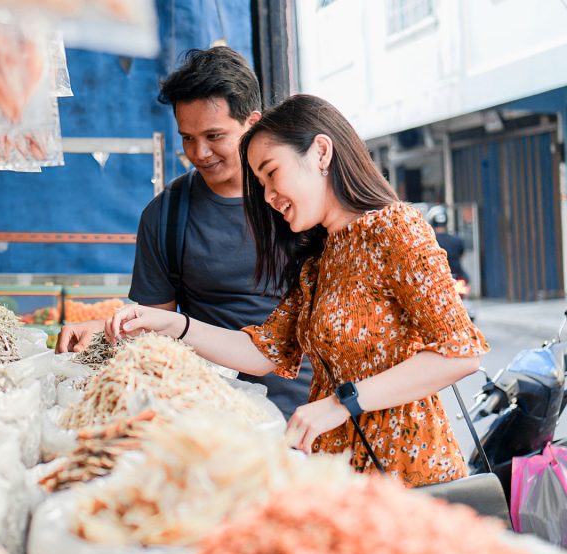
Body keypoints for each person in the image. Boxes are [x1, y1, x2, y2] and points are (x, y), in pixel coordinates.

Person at [105, 94, 490, 487]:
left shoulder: (396, 229)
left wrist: (343, 402)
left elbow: (459, 355)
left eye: (271, 173)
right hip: (338, 474)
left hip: (406, 475)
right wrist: (170, 323)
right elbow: (261, 352)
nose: (268, 195)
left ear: (321, 152)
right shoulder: (319, 260)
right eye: (260, 182)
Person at [56, 46, 310, 419]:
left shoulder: (297, 201)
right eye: (187, 137)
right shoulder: (166, 215)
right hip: (215, 420)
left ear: (252, 124)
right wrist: (104, 329)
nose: (199, 152)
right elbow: (156, 326)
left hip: (317, 414)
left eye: (214, 135)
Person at [429, 207, 468, 281]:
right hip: (458, 279)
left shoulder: (430, 241)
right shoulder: (457, 240)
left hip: (439, 280)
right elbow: (461, 256)